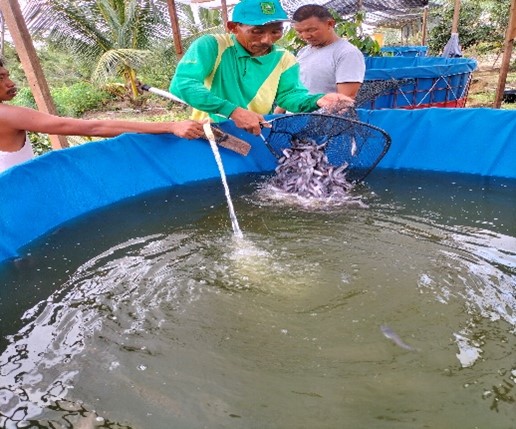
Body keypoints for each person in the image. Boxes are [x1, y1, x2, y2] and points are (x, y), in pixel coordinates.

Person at [169, 0, 353, 137]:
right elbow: (183, 84)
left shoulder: (284, 58)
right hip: (212, 132)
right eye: (257, 31)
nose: (267, 40)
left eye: (276, 31)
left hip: (256, 131)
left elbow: (290, 96)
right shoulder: (212, 46)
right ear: (234, 27)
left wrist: (318, 100)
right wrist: (233, 111)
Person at [0, 59, 205, 174]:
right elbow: (93, 128)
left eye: (8, 75)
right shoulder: (8, 115)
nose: (10, 83)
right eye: (1, 78)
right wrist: (171, 126)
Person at [292, 4, 366, 98]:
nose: (305, 36)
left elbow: (345, 99)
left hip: (319, 113)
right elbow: (293, 90)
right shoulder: (303, 52)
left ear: (330, 24)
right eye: (299, 32)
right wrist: (276, 113)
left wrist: (316, 113)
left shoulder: (347, 53)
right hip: (294, 112)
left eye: (311, 30)